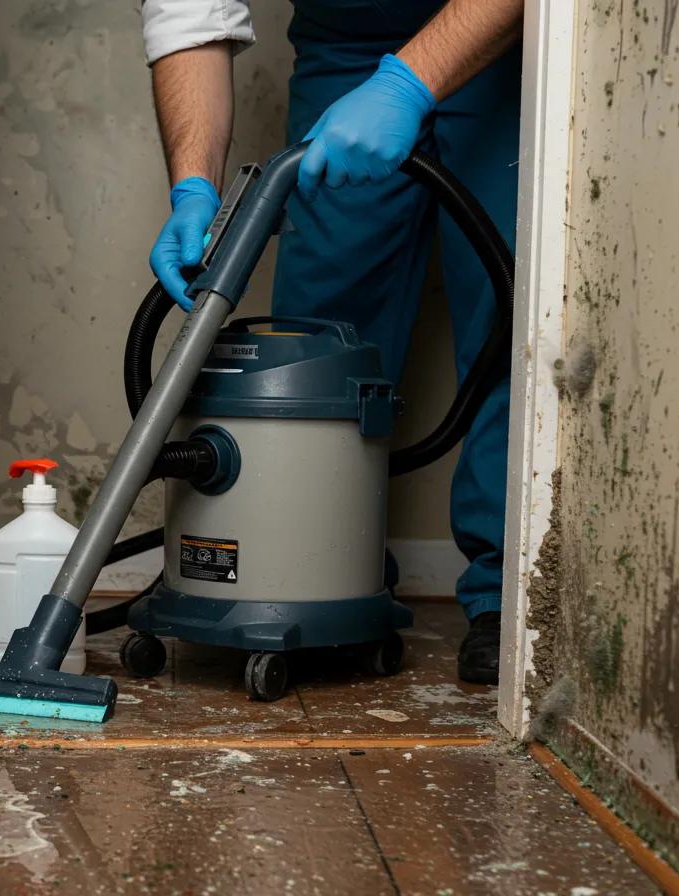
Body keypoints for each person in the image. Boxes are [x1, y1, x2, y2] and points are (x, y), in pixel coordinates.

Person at [143, 0, 524, 684]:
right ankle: (322, 568)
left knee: (510, 313)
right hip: (344, 41)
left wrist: (406, 84)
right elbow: (189, 15)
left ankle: (507, 596)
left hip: (505, 43)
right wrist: (193, 186)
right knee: (320, 335)